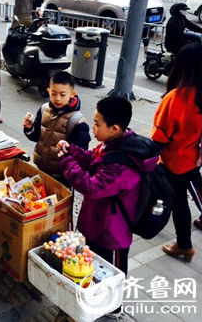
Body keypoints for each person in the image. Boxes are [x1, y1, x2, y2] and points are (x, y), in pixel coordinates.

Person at [56, 96, 159, 277]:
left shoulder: (123, 164)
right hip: (97, 226)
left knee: (111, 280)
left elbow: (91, 187)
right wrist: (71, 150)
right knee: (93, 273)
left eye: (97, 124)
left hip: (112, 236)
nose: (93, 129)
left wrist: (66, 161)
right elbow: (92, 159)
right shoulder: (111, 144)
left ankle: (115, 307)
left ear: (114, 129)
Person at [152, 43, 202, 262]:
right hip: (196, 158)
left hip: (175, 162)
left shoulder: (176, 98)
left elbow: (159, 138)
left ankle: (184, 245)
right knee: (195, 186)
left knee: (179, 203)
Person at [22, 71, 90, 187]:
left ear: (72, 94)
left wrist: (68, 177)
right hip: (40, 169)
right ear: (48, 91)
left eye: (63, 95)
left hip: (62, 177)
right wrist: (30, 128)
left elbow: (80, 156)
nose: (57, 98)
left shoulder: (77, 121)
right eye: (53, 94)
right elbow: (36, 137)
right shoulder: (44, 109)